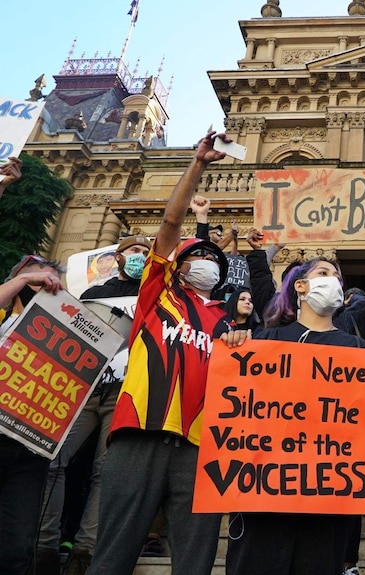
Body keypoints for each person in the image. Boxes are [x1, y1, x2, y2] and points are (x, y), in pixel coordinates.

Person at [88, 131, 237, 575]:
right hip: (139, 434)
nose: (208, 261)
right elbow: (171, 225)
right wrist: (198, 165)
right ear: (178, 265)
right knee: (112, 557)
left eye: (215, 258)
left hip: (200, 449)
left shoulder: (226, 321)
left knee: (195, 562)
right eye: (198, 255)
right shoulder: (158, 294)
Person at [224, 256, 365, 575]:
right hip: (264, 499)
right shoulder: (263, 343)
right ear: (301, 286)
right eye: (323, 273)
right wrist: (234, 347)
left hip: (327, 502)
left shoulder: (360, 352)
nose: (332, 280)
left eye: (337, 276)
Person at [36, 235, 151, 575]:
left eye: (146, 253)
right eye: (134, 251)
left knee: (107, 472)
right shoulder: (91, 295)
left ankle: (85, 551)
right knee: (52, 458)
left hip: (126, 393)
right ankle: (44, 543)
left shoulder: (156, 294)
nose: (141, 257)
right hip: (83, 389)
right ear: (117, 257)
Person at [0, 254, 64, 575]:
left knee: (16, 546)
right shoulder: (2, 315)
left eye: (52, 281)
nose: (45, 284)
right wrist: (23, 281)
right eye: (38, 278)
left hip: (29, 451)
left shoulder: (64, 334)